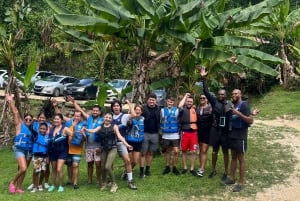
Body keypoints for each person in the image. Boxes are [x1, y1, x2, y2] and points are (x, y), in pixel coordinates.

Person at [83, 113, 133, 193]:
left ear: (111, 119)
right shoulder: (100, 127)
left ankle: (114, 184)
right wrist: (86, 130)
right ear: (104, 118)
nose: (108, 119)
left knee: (107, 166)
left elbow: (120, 137)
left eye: (110, 118)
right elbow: (93, 130)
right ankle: (104, 183)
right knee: (102, 167)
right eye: (106, 117)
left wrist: (127, 145)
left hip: (112, 148)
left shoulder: (114, 127)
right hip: (103, 149)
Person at [200, 67, 232, 181]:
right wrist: (203, 78)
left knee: (225, 152)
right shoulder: (214, 102)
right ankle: (213, 170)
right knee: (214, 151)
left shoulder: (229, 104)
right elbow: (206, 92)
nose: (221, 96)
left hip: (225, 131)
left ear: (226, 95)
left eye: (222, 94)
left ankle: (225, 171)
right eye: (219, 94)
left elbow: (233, 116)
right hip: (215, 129)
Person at [64, 96, 103, 187]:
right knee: (89, 164)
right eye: (93, 110)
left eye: (96, 111)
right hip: (89, 145)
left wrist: (102, 147)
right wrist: (73, 102)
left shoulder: (103, 120)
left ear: (100, 112)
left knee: (98, 164)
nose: (95, 112)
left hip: (98, 145)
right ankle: (89, 181)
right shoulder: (89, 118)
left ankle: (98, 180)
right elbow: (80, 110)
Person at [222, 89, 254, 192]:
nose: (234, 95)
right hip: (232, 133)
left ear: (240, 94)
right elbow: (223, 110)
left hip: (241, 135)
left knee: (241, 158)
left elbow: (250, 120)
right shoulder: (232, 105)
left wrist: (237, 113)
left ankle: (241, 182)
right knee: (233, 157)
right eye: (233, 94)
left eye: (236, 93)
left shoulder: (244, 105)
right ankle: (231, 178)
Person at [6, 94, 34, 194]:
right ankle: (12, 182)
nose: (28, 121)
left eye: (30, 120)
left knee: (23, 170)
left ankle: (18, 188)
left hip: (28, 151)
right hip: (19, 149)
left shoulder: (32, 129)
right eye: (26, 119)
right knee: (23, 168)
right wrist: (11, 101)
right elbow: (15, 113)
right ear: (23, 119)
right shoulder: (19, 125)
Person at [111, 100, 137, 189]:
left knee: (128, 161)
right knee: (110, 163)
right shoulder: (109, 117)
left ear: (120, 107)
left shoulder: (124, 116)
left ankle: (130, 180)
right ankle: (110, 180)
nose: (116, 107)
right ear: (112, 107)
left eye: (117, 105)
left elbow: (134, 115)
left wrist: (129, 103)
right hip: (111, 143)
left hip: (121, 142)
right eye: (114, 106)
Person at [47, 113, 74, 192]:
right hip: (53, 151)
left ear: (61, 120)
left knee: (59, 169)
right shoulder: (51, 129)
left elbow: (73, 134)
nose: (56, 120)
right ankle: (52, 185)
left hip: (62, 151)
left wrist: (70, 139)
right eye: (55, 119)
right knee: (54, 169)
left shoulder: (65, 128)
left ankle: (61, 185)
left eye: (58, 119)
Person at [28, 111, 51, 191]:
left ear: (47, 129)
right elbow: (30, 128)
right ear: (39, 129)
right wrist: (33, 121)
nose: (42, 130)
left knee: (43, 171)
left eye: (44, 129)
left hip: (44, 156)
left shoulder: (48, 137)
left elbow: (48, 147)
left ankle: (40, 184)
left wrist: (48, 156)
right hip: (37, 156)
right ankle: (35, 186)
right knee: (36, 171)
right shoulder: (36, 135)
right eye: (41, 128)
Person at [140, 93, 161, 178]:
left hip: (155, 133)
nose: (151, 101)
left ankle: (147, 169)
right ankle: (141, 171)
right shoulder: (143, 109)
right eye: (150, 100)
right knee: (143, 153)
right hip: (145, 133)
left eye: (153, 100)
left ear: (156, 101)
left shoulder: (159, 109)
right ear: (147, 100)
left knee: (151, 153)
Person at [64, 110, 87, 190]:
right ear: (73, 116)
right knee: (69, 164)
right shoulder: (68, 123)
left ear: (81, 117)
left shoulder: (84, 124)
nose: (77, 118)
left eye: (78, 116)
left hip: (77, 148)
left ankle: (75, 183)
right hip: (68, 147)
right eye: (75, 116)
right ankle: (70, 180)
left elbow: (84, 138)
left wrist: (83, 135)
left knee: (75, 165)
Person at [178, 93, 198, 176]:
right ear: (186, 102)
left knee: (194, 151)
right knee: (184, 150)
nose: (189, 103)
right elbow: (179, 106)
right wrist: (185, 96)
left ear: (192, 102)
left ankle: (192, 168)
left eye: (191, 101)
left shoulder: (195, 109)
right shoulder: (182, 109)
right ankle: (185, 167)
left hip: (194, 132)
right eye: (188, 101)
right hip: (185, 132)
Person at [161, 96, 180, 176]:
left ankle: (175, 167)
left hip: (175, 134)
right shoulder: (162, 110)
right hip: (166, 135)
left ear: (173, 103)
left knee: (176, 151)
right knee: (168, 151)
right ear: (166, 102)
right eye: (169, 101)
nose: (170, 103)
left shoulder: (177, 110)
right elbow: (160, 120)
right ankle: (167, 166)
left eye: (171, 102)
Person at [196, 94, 213, 177]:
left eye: (204, 98)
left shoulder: (210, 108)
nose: (202, 99)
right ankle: (200, 166)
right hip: (199, 132)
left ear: (207, 99)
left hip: (208, 132)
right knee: (200, 149)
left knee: (204, 150)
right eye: (201, 98)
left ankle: (202, 169)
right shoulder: (197, 108)